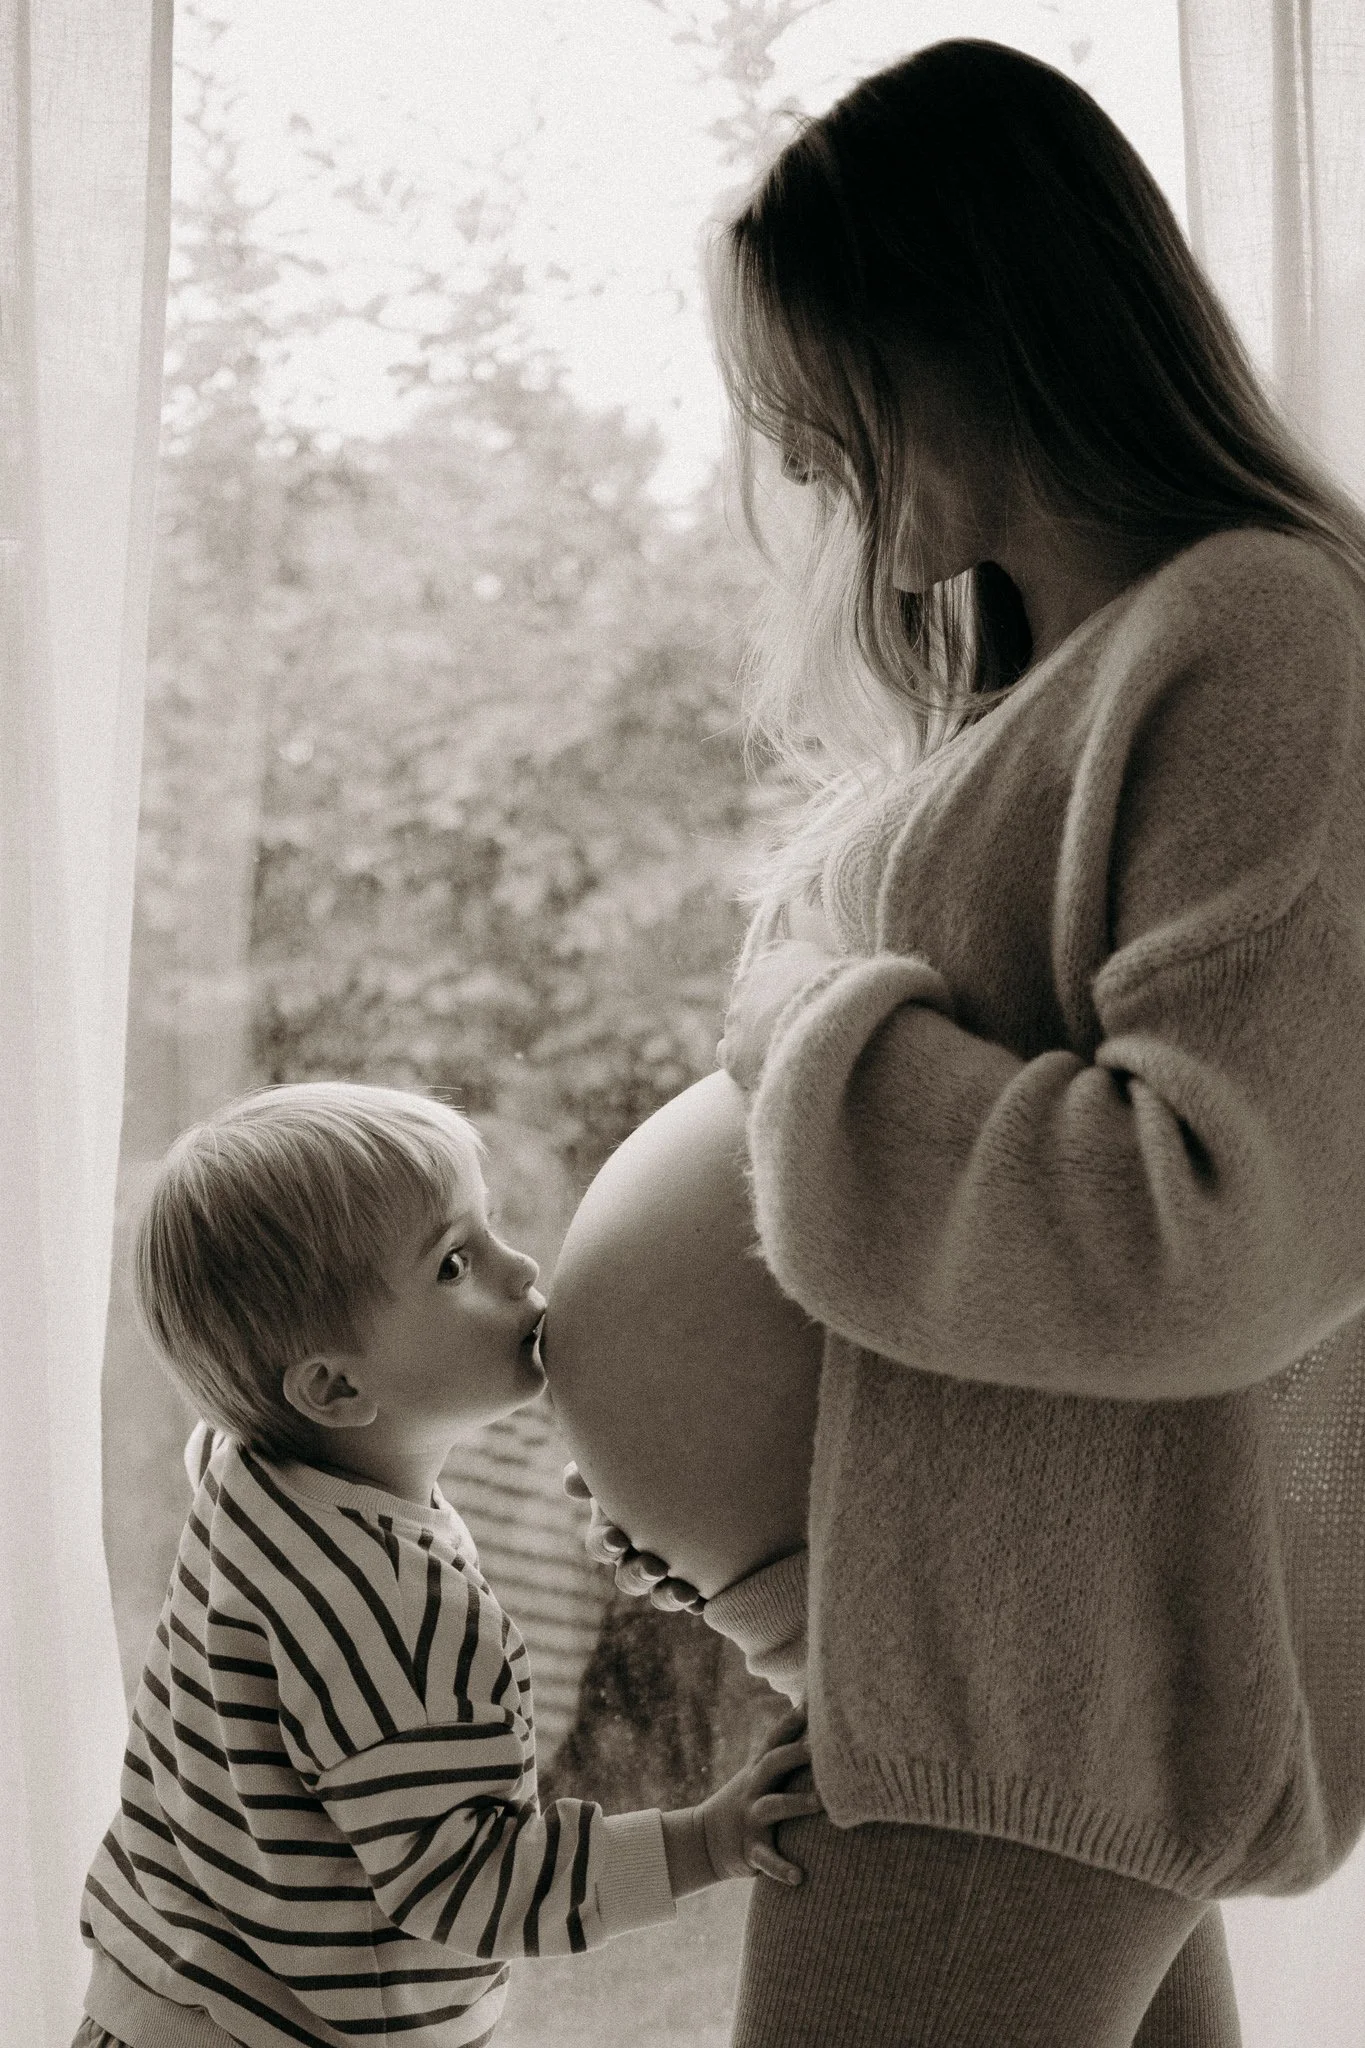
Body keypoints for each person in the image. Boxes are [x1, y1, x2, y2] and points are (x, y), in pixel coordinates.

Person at [561, 34, 1365, 2048]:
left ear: (970, 329)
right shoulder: (1080, 669)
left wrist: (807, 1032)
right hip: (991, 1659)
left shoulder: (1259, 633)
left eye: (819, 394)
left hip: (1050, 1681)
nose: (795, 454)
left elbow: (1206, 1233)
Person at [75, 1081, 820, 2048]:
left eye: (492, 1226)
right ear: (335, 1385)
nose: (520, 1269)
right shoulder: (395, 1618)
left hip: (155, 1989)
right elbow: (463, 1881)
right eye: (454, 1263)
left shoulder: (243, 1473)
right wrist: (702, 1842)